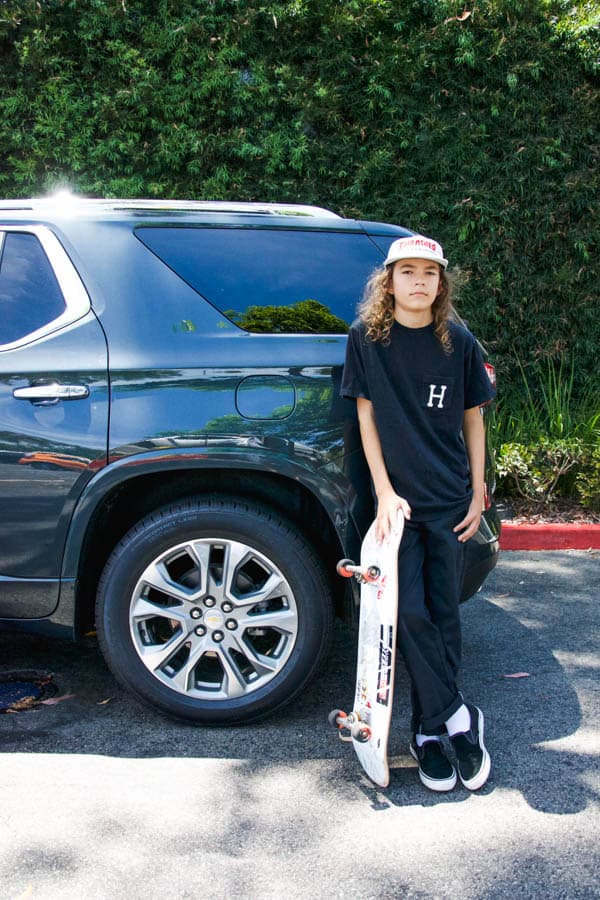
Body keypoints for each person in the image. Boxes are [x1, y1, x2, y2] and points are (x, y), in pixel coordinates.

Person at [340, 234, 495, 792]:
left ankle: (429, 731)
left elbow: (474, 419)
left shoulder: (457, 340)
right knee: (409, 614)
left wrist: (477, 491)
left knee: (445, 614)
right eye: (407, 271)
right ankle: (458, 716)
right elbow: (366, 418)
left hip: (451, 498)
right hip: (398, 506)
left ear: (440, 281)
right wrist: (383, 492)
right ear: (389, 281)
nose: (419, 281)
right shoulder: (366, 339)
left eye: (429, 272)